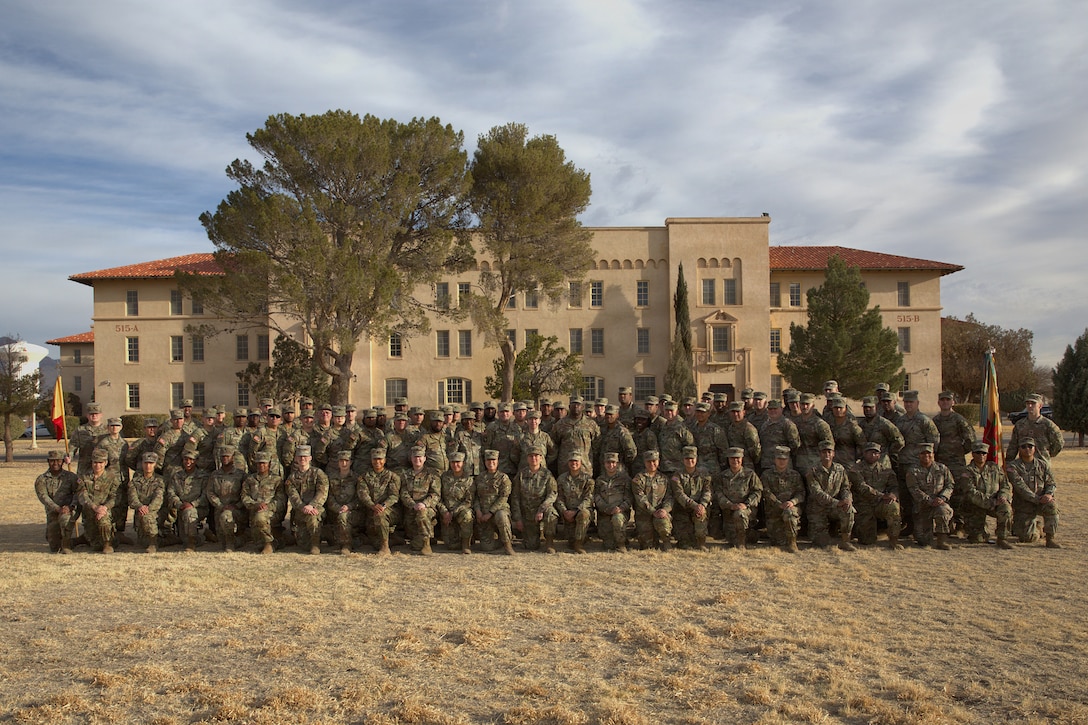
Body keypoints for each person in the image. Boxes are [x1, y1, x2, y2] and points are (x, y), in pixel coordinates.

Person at [1005, 437, 1061, 547]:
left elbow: (1051, 483)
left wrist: (1048, 494)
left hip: (1042, 501)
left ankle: (1050, 539)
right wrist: (1037, 499)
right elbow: (1020, 488)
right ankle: (1037, 528)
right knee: (1027, 538)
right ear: (1019, 449)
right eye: (1023, 447)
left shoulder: (1042, 465)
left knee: (1052, 506)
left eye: (1030, 446)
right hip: (1023, 504)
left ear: (1035, 448)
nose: (1027, 449)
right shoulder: (1013, 467)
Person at [957, 441, 1013, 549]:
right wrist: (991, 502)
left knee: (1006, 508)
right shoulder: (967, 471)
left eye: (984, 453)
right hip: (974, 506)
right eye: (978, 453)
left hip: (995, 502)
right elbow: (970, 492)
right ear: (973, 454)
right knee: (978, 539)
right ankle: (978, 530)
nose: (981, 456)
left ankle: (1002, 539)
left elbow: (1005, 485)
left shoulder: (995, 468)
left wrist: (1003, 496)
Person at [848, 443, 903, 549]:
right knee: (867, 541)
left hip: (880, 504)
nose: (873, 455)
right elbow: (862, 487)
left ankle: (893, 541)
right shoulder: (855, 470)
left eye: (876, 453)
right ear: (864, 454)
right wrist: (882, 496)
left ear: (879, 455)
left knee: (894, 507)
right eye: (870, 452)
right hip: (863, 505)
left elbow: (894, 486)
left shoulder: (886, 470)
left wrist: (893, 495)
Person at [805, 441, 856, 551]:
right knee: (822, 543)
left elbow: (845, 487)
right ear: (820, 454)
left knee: (849, 510)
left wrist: (847, 499)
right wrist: (837, 503)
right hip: (817, 509)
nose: (827, 455)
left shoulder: (840, 469)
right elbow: (817, 493)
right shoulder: (812, 471)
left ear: (833, 454)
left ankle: (845, 541)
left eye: (829, 452)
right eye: (824, 452)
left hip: (835, 507)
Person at [905, 443, 955, 550]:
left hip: (939, 503)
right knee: (923, 541)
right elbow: (913, 489)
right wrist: (929, 500)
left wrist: (942, 498)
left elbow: (950, 485)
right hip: (922, 506)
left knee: (943, 510)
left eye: (929, 453)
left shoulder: (942, 469)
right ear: (919, 455)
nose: (926, 456)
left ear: (933, 454)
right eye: (923, 453)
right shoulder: (912, 471)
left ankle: (942, 540)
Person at [511, 446, 559, 553]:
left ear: (541, 458)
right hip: (527, 514)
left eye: (536, 456)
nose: (534, 458)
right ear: (527, 459)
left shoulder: (547, 475)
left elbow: (552, 494)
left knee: (551, 513)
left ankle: (549, 542)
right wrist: (518, 519)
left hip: (542, 511)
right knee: (531, 546)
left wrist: (541, 509)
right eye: (531, 456)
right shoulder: (521, 475)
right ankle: (534, 535)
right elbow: (515, 497)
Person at [713, 447, 762, 549]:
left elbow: (757, 492)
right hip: (729, 514)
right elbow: (718, 493)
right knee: (731, 539)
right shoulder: (722, 476)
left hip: (746, 512)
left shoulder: (750, 475)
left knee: (740, 514)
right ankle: (748, 535)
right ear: (728, 459)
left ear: (742, 458)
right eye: (732, 458)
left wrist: (746, 504)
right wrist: (730, 505)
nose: (735, 460)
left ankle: (742, 544)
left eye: (737, 458)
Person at [760, 446, 805, 552]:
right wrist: (778, 503)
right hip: (774, 510)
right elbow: (766, 492)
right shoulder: (766, 475)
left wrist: (792, 502)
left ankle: (792, 543)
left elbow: (801, 493)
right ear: (775, 459)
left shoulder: (795, 475)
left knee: (789, 513)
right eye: (779, 459)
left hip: (791, 508)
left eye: (784, 459)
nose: (781, 461)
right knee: (777, 541)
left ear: (788, 460)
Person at [286, 444, 329, 555]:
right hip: (300, 511)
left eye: (305, 456)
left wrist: (312, 505)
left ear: (310, 458)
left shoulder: (318, 473)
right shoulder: (292, 477)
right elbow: (293, 495)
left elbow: (322, 492)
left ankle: (316, 545)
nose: (302, 459)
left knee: (313, 517)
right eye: (300, 456)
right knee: (303, 545)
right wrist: (302, 507)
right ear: (296, 458)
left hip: (316, 509)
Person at [76, 448, 121, 553]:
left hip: (105, 512)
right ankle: (88, 538)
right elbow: (82, 495)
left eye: (100, 462)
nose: (97, 465)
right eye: (95, 462)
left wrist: (104, 508)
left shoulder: (113, 478)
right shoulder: (84, 477)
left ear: (105, 463)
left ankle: (107, 544)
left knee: (104, 520)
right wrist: (94, 507)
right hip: (90, 511)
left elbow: (115, 497)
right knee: (95, 545)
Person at [358, 449, 401, 555]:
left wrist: (383, 506)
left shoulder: (392, 477)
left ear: (385, 460)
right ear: (371, 460)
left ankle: (385, 547)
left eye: (380, 459)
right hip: (370, 510)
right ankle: (393, 540)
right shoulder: (364, 477)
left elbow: (394, 496)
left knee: (380, 515)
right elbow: (363, 494)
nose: (377, 462)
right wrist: (373, 506)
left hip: (390, 511)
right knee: (372, 542)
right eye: (375, 459)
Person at [35, 450, 79, 554]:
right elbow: (43, 497)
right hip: (53, 512)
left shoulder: (71, 477)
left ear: (63, 461)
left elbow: (78, 492)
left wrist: (71, 506)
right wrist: (57, 508)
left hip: (68, 510)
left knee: (65, 519)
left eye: (58, 461)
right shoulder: (41, 479)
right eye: (52, 461)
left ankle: (66, 545)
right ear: (48, 461)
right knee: (54, 547)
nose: (55, 464)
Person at [206, 445, 248, 552]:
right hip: (219, 510)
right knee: (221, 541)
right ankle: (239, 540)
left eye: (228, 456)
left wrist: (236, 506)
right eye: (223, 456)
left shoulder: (241, 475)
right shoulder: (215, 475)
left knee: (226, 517)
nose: (225, 458)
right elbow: (210, 492)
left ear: (233, 457)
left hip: (237, 511)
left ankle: (231, 544)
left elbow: (246, 493)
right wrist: (220, 505)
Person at [243, 451, 286, 555]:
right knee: (258, 544)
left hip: (272, 513)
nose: (261, 465)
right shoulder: (250, 479)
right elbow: (244, 497)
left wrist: (268, 507)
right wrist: (255, 505)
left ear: (269, 464)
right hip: (254, 512)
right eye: (259, 463)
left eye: (264, 463)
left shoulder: (277, 480)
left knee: (261, 516)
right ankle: (280, 541)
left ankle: (269, 543)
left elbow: (281, 500)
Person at [670, 446, 712, 551]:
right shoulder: (677, 475)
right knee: (685, 542)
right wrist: (694, 505)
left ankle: (701, 542)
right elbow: (679, 494)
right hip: (683, 509)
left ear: (696, 459)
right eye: (687, 458)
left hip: (700, 507)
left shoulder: (704, 474)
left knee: (701, 517)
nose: (690, 461)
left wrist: (702, 505)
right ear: (683, 459)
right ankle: (684, 540)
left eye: (692, 458)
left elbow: (708, 491)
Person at [474, 450, 515, 555]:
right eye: (488, 460)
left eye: (493, 460)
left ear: (497, 461)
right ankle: (498, 541)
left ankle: (507, 545)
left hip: (498, 511)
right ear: (484, 461)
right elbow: (475, 497)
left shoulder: (503, 478)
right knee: (486, 548)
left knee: (501, 516)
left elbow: (503, 497)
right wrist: (478, 511)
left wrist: (490, 512)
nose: (491, 462)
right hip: (483, 513)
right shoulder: (479, 478)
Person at [631, 451, 673, 551]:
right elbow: (640, 499)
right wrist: (653, 511)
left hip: (660, 513)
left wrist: (665, 510)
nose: (652, 464)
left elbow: (669, 497)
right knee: (647, 546)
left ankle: (666, 542)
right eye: (648, 461)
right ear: (644, 462)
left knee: (663, 523)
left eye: (654, 461)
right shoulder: (638, 479)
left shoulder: (664, 479)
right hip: (644, 515)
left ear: (658, 461)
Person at [167, 450, 207, 551]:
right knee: (182, 538)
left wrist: (193, 504)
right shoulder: (177, 476)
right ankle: (204, 536)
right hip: (180, 508)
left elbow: (205, 495)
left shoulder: (203, 476)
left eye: (191, 459)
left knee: (190, 513)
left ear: (196, 461)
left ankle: (191, 543)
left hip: (198, 509)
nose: (188, 462)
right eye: (185, 459)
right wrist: (179, 504)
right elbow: (171, 493)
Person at [555, 452, 594, 554]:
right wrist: (564, 511)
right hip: (567, 514)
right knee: (570, 541)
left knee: (584, 514)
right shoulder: (561, 479)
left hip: (580, 512)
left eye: (576, 461)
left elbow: (589, 498)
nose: (574, 463)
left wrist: (576, 511)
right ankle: (578, 539)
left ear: (581, 463)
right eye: (571, 461)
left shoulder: (588, 479)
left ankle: (579, 545)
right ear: (568, 463)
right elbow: (559, 497)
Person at [1006, 394, 1063, 463]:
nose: (1030, 406)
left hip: (1042, 465)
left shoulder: (1048, 425)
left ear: (1040, 406)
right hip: (1023, 466)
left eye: (1033, 403)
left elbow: (1058, 443)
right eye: (1028, 403)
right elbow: (1013, 446)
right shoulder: (1020, 425)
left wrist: (1047, 454)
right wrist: (1008, 462)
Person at [594, 452, 633, 553]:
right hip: (604, 513)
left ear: (617, 463)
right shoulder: (599, 480)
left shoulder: (625, 479)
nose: (611, 465)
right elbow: (596, 497)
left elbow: (629, 498)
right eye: (608, 462)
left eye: (613, 462)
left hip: (620, 512)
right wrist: (606, 508)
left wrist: (620, 508)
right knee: (608, 545)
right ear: (604, 464)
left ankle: (621, 544)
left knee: (617, 518)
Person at [127, 452, 165, 553]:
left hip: (156, 513)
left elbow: (159, 498)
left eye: (151, 463)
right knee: (142, 542)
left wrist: (148, 509)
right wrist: (140, 507)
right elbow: (132, 498)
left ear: (155, 464)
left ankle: (153, 543)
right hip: (140, 513)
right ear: (142, 464)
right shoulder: (135, 481)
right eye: (146, 463)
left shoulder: (160, 480)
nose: (148, 466)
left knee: (147, 517)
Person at [439, 452, 475, 553]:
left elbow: (469, 501)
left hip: (460, 511)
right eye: (453, 462)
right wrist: (445, 512)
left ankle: (466, 544)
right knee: (451, 546)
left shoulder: (469, 479)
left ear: (463, 463)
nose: (455, 465)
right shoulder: (444, 478)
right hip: (446, 513)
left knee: (467, 515)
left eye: (458, 462)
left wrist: (453, 513)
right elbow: (438, 497)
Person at [324, 450, 360, 554]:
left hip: (353, 512)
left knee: (343, 517)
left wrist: (349, 506)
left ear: (351, 462)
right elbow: (328, 496)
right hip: (334, 512)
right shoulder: (331, 478)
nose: (344, 463)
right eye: (341, 461)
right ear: (337, 462)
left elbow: (360, 498)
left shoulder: (357, 478)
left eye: (346, 461)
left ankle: (346, 545)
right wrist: (337, 508)